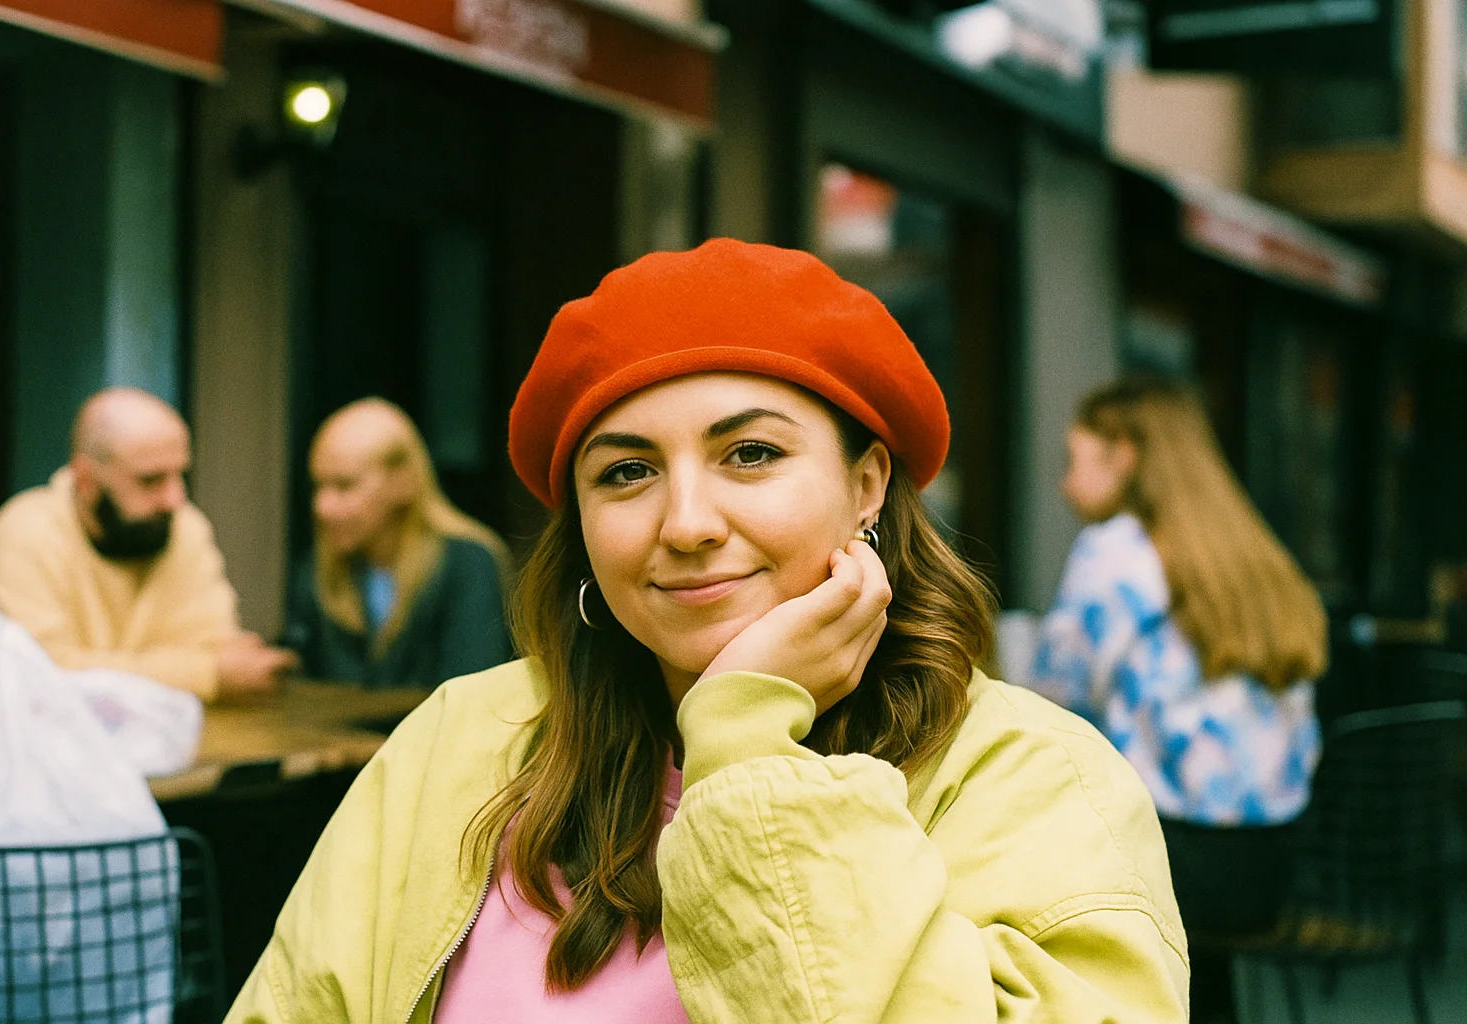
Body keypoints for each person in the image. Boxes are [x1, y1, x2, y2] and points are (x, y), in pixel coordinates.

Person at [227, 240, 1187, 1024]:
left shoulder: (1031, 774)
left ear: (866, 485)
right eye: (627, 472)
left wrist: (747, 744)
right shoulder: (459, 739)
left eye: (752, 454)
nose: (686, 523)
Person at [1022, 376, 1328, 1023]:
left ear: (1124, 454)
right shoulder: (1247, 550)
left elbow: (1051, 703)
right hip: (1275, 862)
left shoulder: (1116, 552)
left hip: (1182, 867)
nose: (1062, 486)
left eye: (1070, 463)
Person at [0, 387, 295, 701]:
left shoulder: (183, 527)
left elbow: (214, 643)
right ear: (85, 480)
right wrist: (204, 675)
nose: (175, 499)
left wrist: (104, 670)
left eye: (180, 475)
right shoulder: (23, 536)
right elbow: (37, 679)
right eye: (151, 480)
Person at [283, 398, 512, 688]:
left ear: (403, 480)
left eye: (344, 485)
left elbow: (474, 694)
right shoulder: (317, 572)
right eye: (318, 486)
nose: (322, 507)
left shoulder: (468, 565)